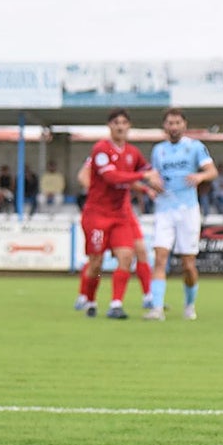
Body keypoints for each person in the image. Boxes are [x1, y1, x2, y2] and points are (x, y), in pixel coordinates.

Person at [73, 110, 161, 319]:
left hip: (121, 214)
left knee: (127, 255)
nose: (120, 127)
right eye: (116, 123)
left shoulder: (132, 152)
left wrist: (154, 183)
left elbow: (147, 170)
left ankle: (116, 304)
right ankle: (89, 299)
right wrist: (144, 177)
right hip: (97, 214)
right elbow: (112, 177)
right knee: (96, 263)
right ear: (109, 126)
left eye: (124, 123)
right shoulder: (101, 149)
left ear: (129, 126)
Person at [142, 109, 217, 322]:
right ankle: (157, 308)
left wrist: (200, 176)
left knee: (188, 265)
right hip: (164, 209)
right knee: (159, 259)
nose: (173, 127)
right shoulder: (158, 150)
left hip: (188, 211)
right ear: (164, 126)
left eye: (177, 122)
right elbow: (154, 175)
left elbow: (212, 172)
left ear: (184, 124)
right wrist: (152, 182)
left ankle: (189, 304)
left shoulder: (195, 147)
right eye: (169, 123)